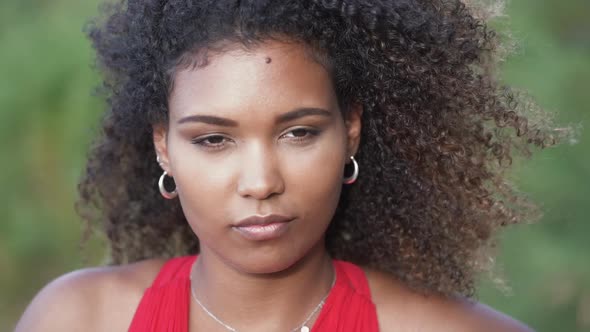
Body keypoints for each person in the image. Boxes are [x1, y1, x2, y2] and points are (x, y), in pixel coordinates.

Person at [14, 0, 559, 331]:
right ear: (163, 147)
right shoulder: (78, 319)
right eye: (212, 140)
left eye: (298, 132)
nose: (261, 183)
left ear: (351, 131)